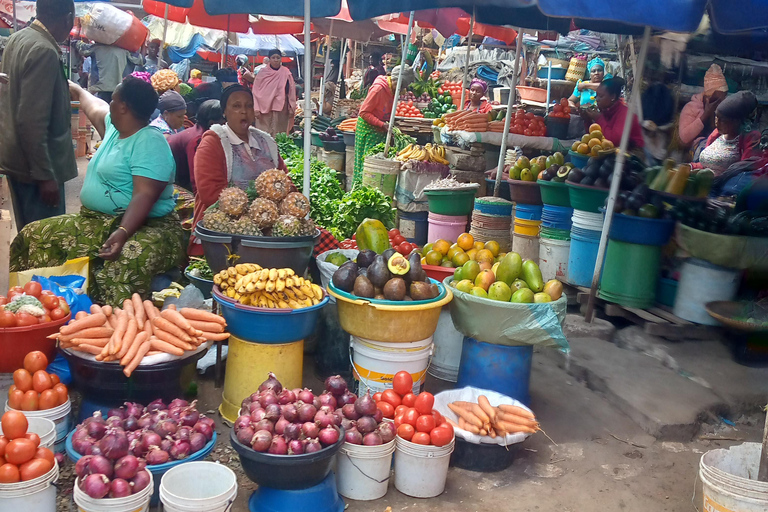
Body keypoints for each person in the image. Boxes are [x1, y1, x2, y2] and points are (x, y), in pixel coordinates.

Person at [11, 76, 184, 305]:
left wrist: (122, 231)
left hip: (147, 226)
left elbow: (145, 194)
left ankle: (116, 322)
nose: (109, 103)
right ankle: (37, 307)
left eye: (113, 99)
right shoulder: (114, 127)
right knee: (34, 235)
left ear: (123, 106)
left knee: (127, 259)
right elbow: (93, 104)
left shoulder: (150, 142)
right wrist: (76, 89)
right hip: (98, 221)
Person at [0, 0, 77, 229]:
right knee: (45, 243)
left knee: (29, 235)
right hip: (37, 168)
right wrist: (45, 176)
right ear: (68, 18)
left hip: (19, 160)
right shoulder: (44, 49)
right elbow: (32, 120)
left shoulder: (18, 38)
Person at [189, 85, 288, 256]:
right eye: (236, 106)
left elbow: (285, 181)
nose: (244, 112)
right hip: (224, 231)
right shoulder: (213, 142)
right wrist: (255, 210)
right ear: (224, 112)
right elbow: (209, 194)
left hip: (268, 225)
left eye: (249, 106)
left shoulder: (266, 142)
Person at [354, 65, 416, 185]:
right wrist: (382, 124)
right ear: (396, 81)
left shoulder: (392, 90)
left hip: (380, 128)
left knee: (377, 161)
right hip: (368, 129)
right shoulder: (379, 89)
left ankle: (374, 187)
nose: (403, 90)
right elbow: (364, 112)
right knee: (367, 163)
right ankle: (361, 188)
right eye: (402, 86)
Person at [693, 91, 763, 175]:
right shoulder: (716, 134)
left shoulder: (752, 138)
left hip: (724, 186)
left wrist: (716, 180)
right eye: (716, 117)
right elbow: (706, 164)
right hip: (704, 180)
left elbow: (744, 172)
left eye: (723, 120)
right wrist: (691, 167)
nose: (717, 123)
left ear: (737, 121)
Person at [168, 99, 223, 192]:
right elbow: (196, 179)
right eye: (224, 121)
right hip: (171, 183)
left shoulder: (201, 131)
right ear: (212, 123)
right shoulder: (197, 140)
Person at [584, 77, 644, 152]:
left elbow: (613, 141)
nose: (597, 99)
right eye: (597, 96)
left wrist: (599, 118)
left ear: (613, 97)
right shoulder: (606, 110)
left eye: (601, 96)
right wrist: (587, 120)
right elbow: (595, 138)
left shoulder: (625, 113)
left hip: (633, 153)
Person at [678, 64, 729, 148]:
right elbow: (684, 138)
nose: (721, 103)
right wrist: (705, 115)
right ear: (708, 97)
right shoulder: (691, 107)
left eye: (723, 98)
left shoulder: (724, 110)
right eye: (717, 100)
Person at [78, 42, 144, 103]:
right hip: (119, 89)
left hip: (101, 89)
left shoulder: (96, 48)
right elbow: (141, 60)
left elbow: (82, 49)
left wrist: (75, 42)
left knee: (102, 112)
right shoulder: (126, 50)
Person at [251, 49, 296, 137]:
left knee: (280, 134)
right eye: (273, 57)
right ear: (269, 59)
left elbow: (291, 90)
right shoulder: (262, 73)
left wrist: (291, 107)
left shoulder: (286, 72)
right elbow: (255, 91)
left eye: (278, 58)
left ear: (281, 59)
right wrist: (256, 108)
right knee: (264, 134)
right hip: (263, 109)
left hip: (281, 109)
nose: (275, 60)